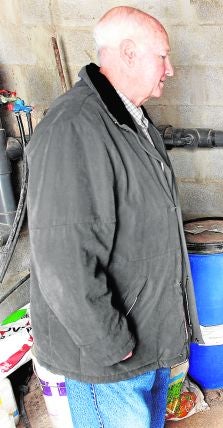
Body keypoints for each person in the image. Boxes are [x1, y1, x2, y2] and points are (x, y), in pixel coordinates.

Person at [27, 6, 201, 427]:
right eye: (163, 56)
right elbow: (63, 260)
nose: (171, 69)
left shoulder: (129, 119)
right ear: (128, 53)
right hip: (111, 360)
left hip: (148, 338)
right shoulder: (74, 129)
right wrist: (111, 345)